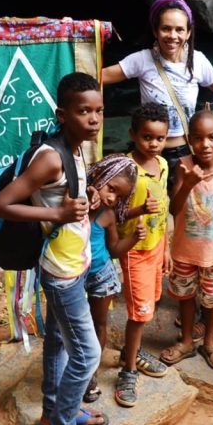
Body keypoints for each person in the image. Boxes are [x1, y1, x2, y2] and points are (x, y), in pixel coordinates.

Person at [0, 72, 106, 425]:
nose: (94, 119)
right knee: (87, 355)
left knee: (57, 339)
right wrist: (58, 215)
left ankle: (52, 410)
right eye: (84, 111)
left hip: (74, 263)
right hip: (61, 273)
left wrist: (86, 195)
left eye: (99, 110)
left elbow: (62, 197)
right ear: (62, 114)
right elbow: (0, 204)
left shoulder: (75, 147)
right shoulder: (51, 158)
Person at [101, 0, 213, 191]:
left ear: (188, 33)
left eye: (179, 29)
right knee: (150, 205)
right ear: (155, 31)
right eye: (166, 28)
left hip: (187, 152)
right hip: (150, 152)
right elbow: (99, 77)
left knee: (185, 206)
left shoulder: (197, 61)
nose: (173, 36)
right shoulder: (142, 60)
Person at [159, 110, 213, 372]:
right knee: (185, 296)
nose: (205, 144)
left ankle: (209, 342)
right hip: (185, 250)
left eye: (211, 137)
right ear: (189, 140)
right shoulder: (182, 166)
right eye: (198, 138)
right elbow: (174, 209)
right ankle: (186, 342)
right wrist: (188, 183)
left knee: (212, 298)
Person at [113, 103, 172, 408]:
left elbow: (162, 210)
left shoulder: (162, 165)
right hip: (134, 250)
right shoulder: (125, 170)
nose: (154, 144)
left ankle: (131, 351)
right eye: (147, 137)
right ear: (133, 134)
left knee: (149, 306)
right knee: (139, 314)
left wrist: (167, 248)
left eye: (160, 138)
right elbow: (111, 214)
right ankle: (128, 371)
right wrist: (138, 210)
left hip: (156, 246)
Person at [82, 155, 145, 405]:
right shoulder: (76, 204)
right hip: (74, 276)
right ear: (97, 178)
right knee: (77, 325)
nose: (111, 198)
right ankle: (76, 368)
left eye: (119, 197)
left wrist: (135, 238)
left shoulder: (107, 215)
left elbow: (115, 250)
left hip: (101, 276)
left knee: (98, 324)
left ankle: (90, 374)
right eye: (110, 188)